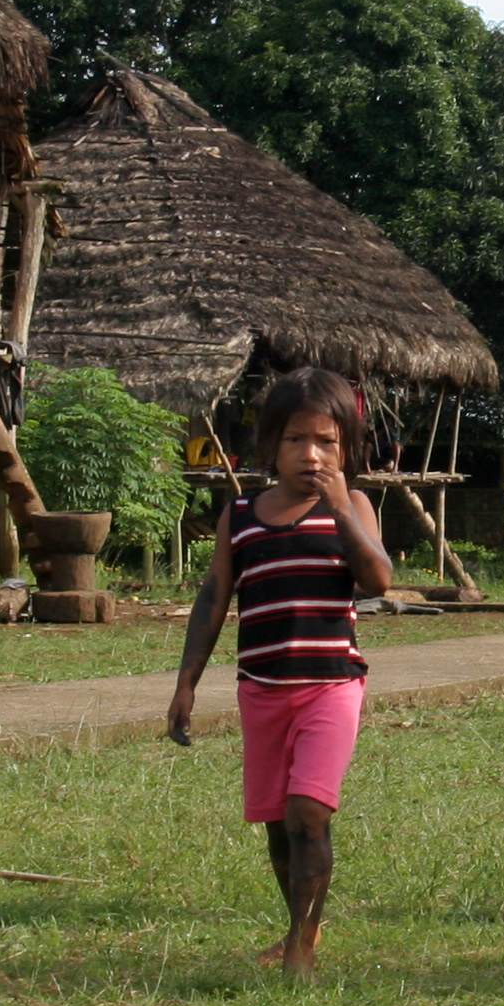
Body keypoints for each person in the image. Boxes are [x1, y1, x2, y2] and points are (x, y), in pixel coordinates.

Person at [162, 368, 395, 974]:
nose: (310, 455)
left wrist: (342, 508)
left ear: (347, 449)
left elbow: (378, 579)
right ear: (272, 443)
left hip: (331, 685)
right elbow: (214, 595)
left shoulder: (355, 507)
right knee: (274, 822)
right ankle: (298, 926)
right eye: (296, 440)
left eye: (326, 442)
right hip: (261, 689)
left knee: (307, 812)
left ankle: (303, 945)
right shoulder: (241, 514)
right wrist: (186, 683)